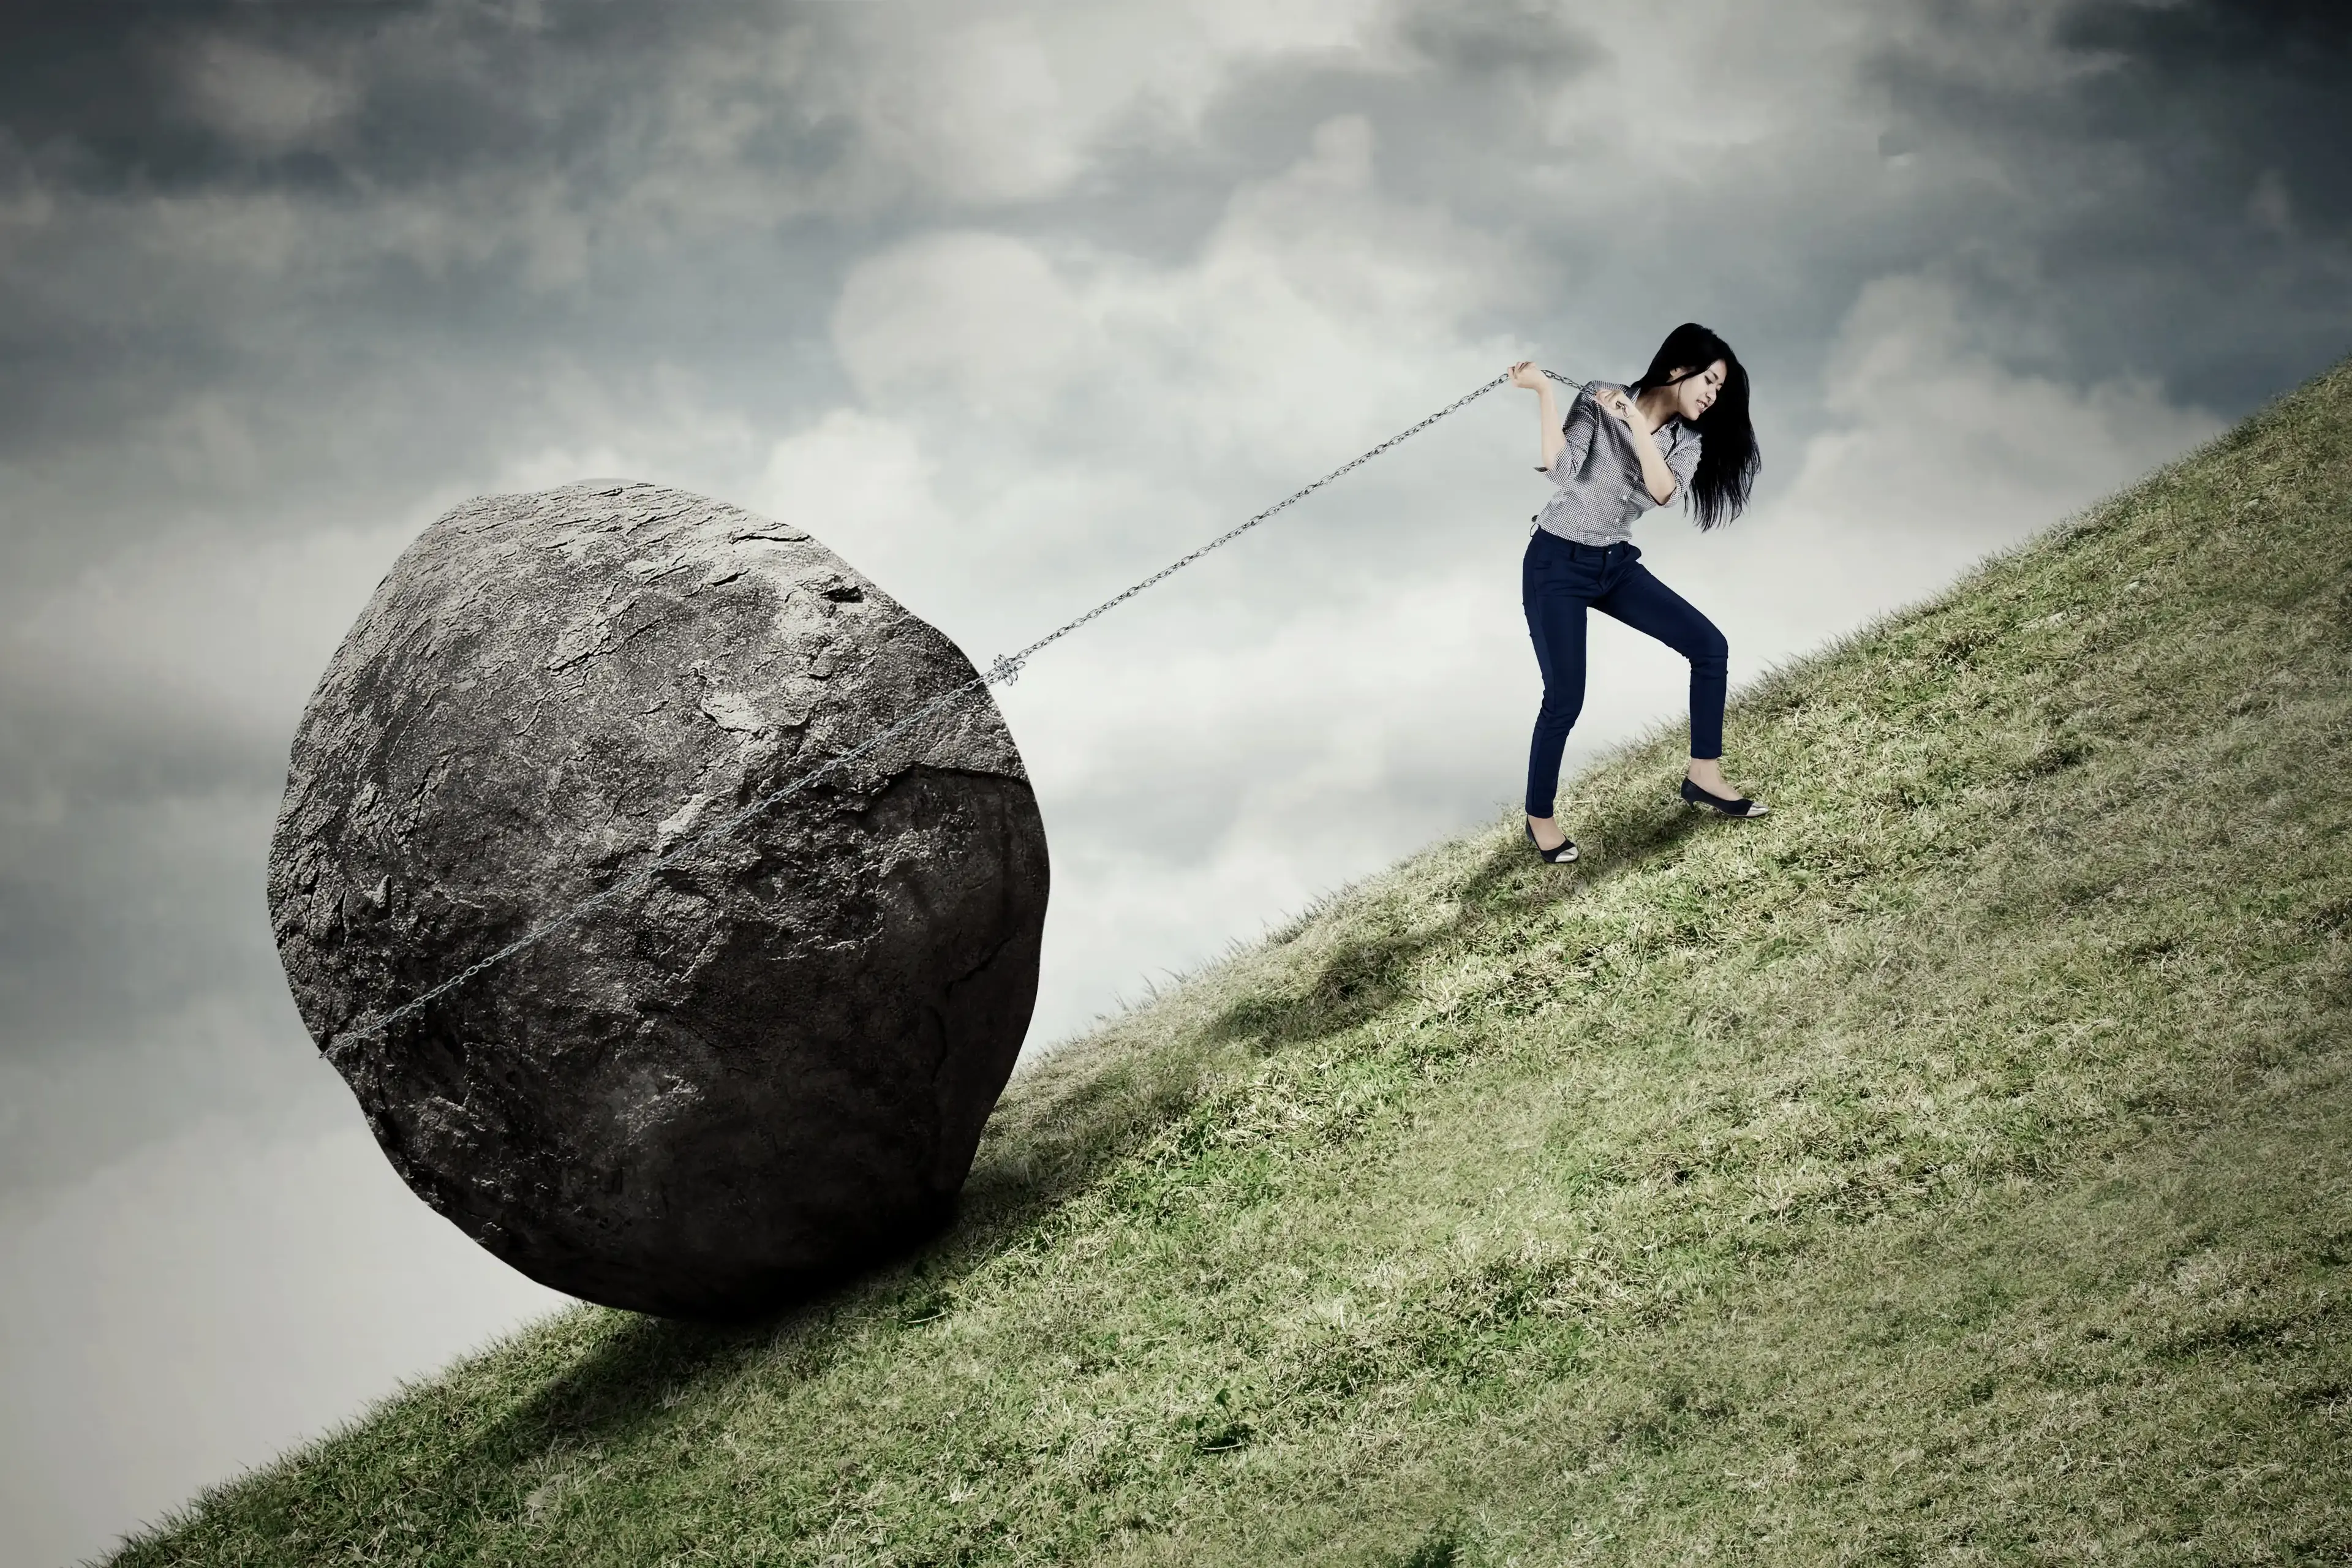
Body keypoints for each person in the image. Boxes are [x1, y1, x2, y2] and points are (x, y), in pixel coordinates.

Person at [1508, 322, 1765, 865]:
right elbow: (1560, 470)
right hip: (1556, 562)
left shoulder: (1684, 441)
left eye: (1719, 390)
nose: (1712, 395)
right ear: (1677, 370)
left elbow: (1664, 492)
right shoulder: (1600, 396)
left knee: (1708, 646)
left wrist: (1637, 426)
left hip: (1613, 564)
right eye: (1709, 382)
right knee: (1565, 699)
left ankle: (1704, 774)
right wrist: (1544, 393)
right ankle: (1540, 818)